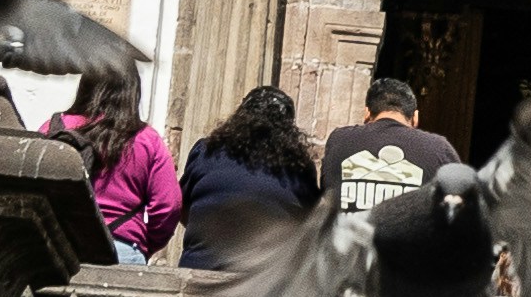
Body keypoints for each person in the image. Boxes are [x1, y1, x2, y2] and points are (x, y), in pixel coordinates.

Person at [176, 86, 320, 267]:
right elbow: (307, 223)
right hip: (259, 280)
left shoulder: (206, 150)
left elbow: (181, 207)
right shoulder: (299, 166)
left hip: (200, 268)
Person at [316, 71, 461, 246]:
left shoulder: (340, 140)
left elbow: (326, 190)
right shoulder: (439, 149)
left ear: (367, 113)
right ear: (415, 117)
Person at [57, 75, 175, 263]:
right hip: (122, 250)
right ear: (131, 92)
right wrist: (141, 241)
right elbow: (168, 206)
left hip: (60, 246)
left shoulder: (55, 128)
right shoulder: (148, 139)